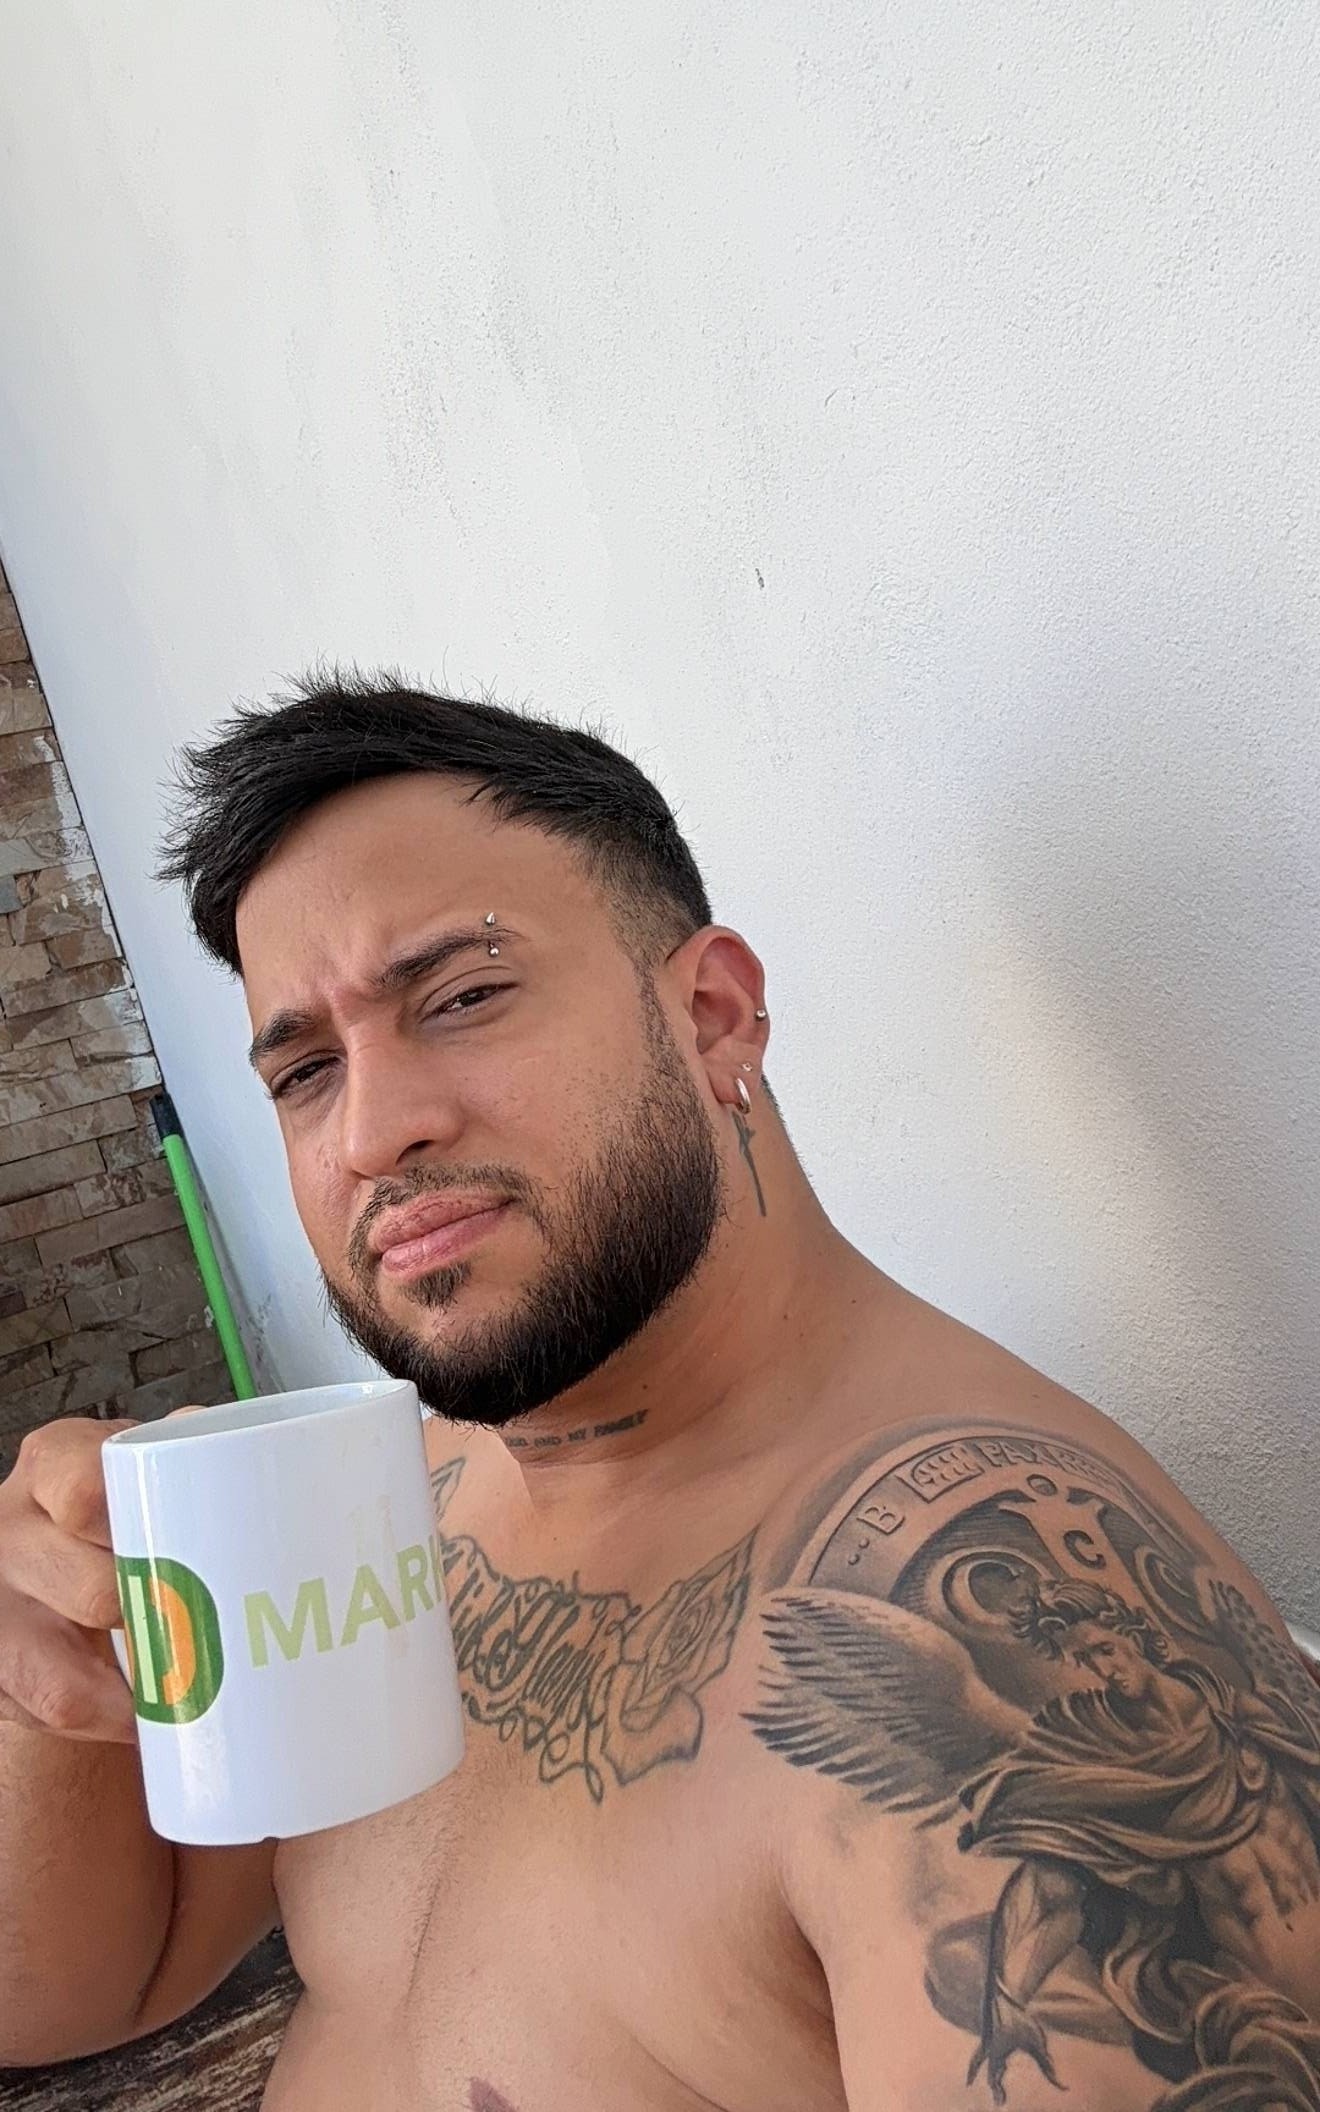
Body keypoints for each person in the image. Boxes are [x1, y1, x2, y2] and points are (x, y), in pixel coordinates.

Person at [0, 673, 1315, 2112]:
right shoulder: (393, 1509)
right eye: (307, 1070)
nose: (373, 1131)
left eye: (463, 997)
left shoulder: (1008, 1648)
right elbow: (77, 1989)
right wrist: (45, 1686)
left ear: (714, 1015)